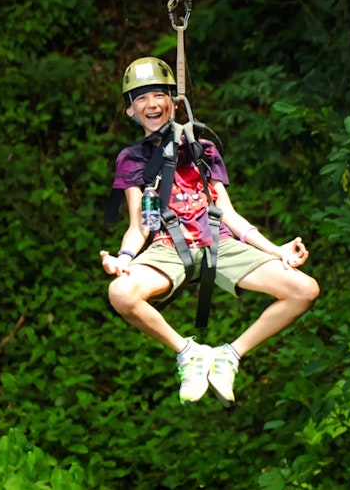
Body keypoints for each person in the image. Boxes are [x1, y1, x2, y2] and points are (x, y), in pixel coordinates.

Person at [100, 56, 320, 406]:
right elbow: (139, 224)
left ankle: (228, 356)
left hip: (218, 242)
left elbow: (228, 213)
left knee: (304, 290)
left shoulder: (203, 148)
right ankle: (189, 353)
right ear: (130, 110)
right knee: (121, 294)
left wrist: (276, 250)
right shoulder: (132, 158)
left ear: (173, 101)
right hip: (166, 248)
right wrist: (124, 258)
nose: (151, 104)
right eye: (140, 98)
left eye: (158, 94)